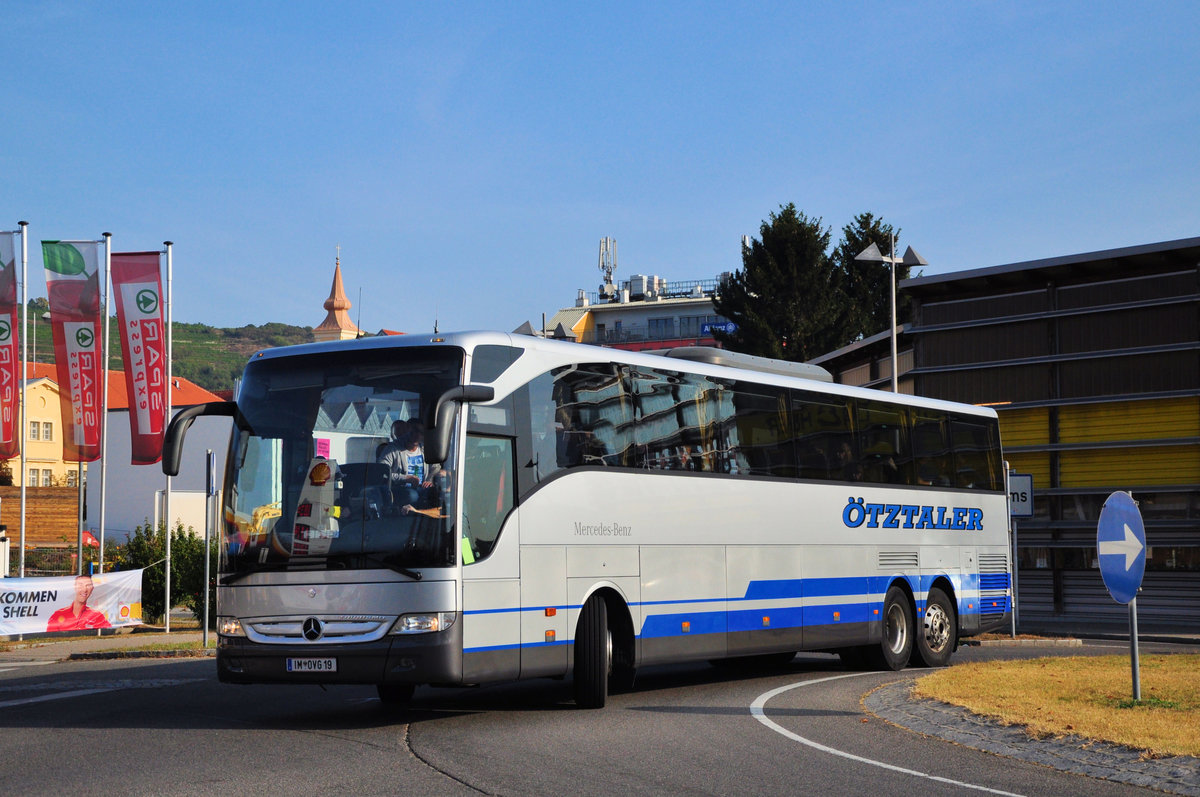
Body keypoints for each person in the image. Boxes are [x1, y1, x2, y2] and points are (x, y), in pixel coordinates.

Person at [46, 574, 111, 632]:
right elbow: (49, 636)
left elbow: (109, 635)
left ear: (92, 588)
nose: (84, 589)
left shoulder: (97, 616)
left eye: (88, 585)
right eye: (80, 585)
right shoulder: (58, 615)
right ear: (74, 587)